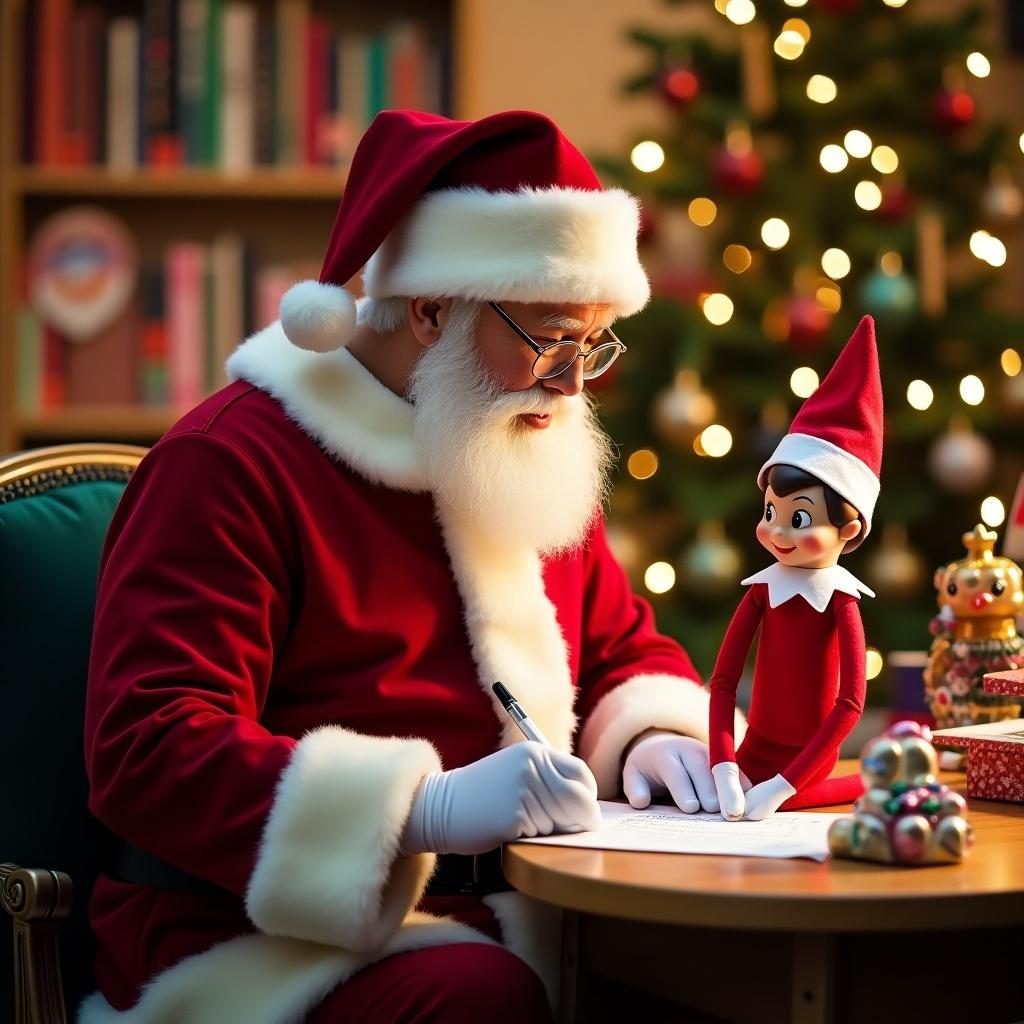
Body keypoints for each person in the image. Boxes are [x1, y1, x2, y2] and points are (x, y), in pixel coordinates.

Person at [81, 109, 740, 1024]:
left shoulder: (514, 442)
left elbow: (622, 649)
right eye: (551, 338)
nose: (573, 380)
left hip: (525, 906)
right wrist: (418, 810)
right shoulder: (229, 464)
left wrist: (648, 737)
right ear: (430, 310)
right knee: (489, 1001)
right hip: (266, 943)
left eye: (592, 344)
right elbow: (149, 747)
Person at [708, 316, 883, 822]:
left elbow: (850, 704)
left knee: (791, 807)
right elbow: (722, 681)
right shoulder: (762, 592)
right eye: (770, 513)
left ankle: (864, 780)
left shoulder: (840, 601)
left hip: (810, 765)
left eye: (798, 518)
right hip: (753, 748)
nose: (776, 533)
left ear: (848, 530)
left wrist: (787, 787)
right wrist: (723, 763)